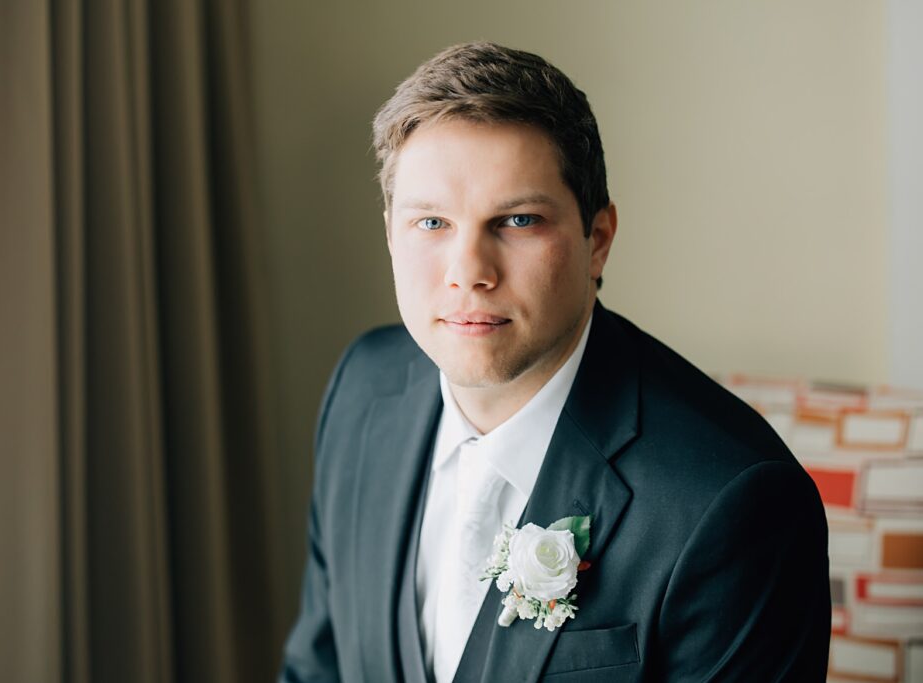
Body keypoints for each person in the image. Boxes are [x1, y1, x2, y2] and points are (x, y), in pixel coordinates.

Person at [280, 42, 830, 682]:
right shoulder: (361, 390)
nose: (469, 274)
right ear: (390, 234)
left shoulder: (734, 504)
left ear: (597, 241)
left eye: (517, 219)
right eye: (431, 223)